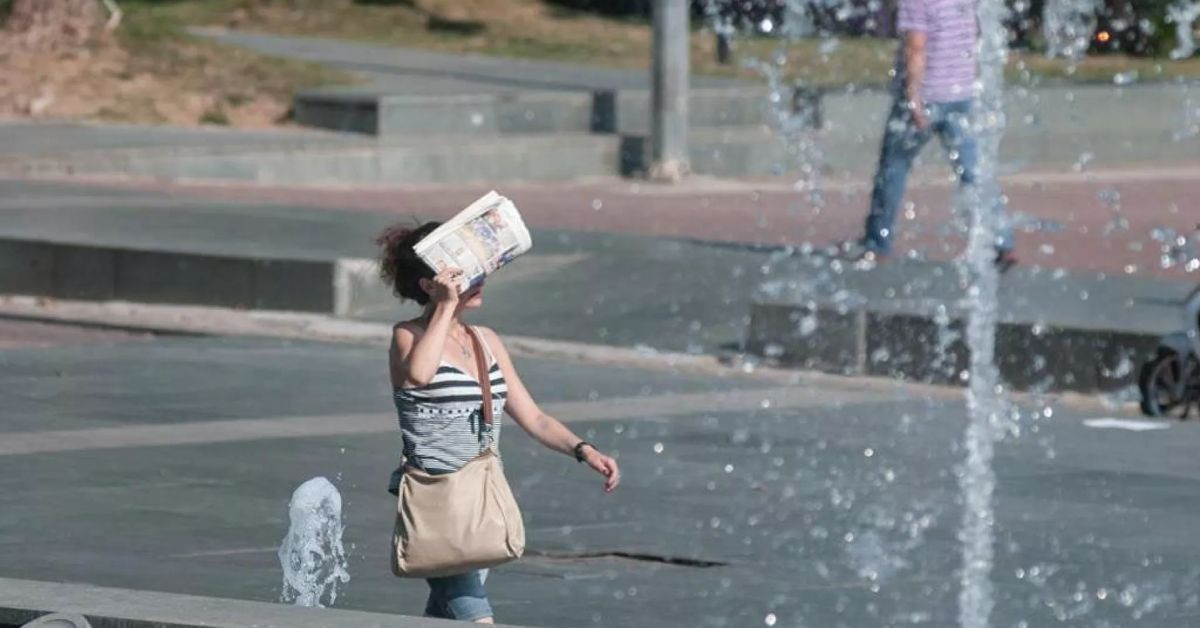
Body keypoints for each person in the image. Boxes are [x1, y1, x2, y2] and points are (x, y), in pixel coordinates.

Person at [378, 221, 621, 624]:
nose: (479, 279)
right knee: (474, 611)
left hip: (481, 495)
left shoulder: (485, 339)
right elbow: (419, 375)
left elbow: (535, 418)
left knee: (446, 609)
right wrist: (443, 307)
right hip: (437, 495)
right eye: (464, 273)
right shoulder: (407, 335)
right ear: (430, 284)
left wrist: (584, 450)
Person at [853, 0, 1017, 270]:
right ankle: (1002, 240)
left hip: (926, 98)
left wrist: (914, 97)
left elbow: (916, 46)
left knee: (893, 170)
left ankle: (878, 243)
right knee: (975, 173)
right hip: (962, 96)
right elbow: (973, 35)